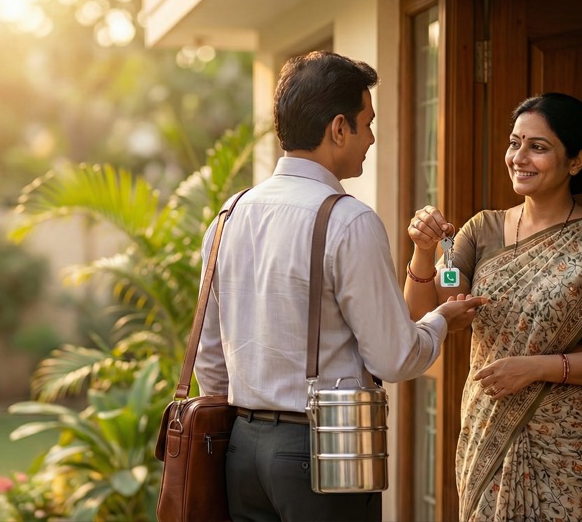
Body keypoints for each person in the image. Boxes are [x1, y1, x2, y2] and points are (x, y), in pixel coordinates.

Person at [193, 50, 488, 522]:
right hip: (326, 450)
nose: (371, 138)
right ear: (338, 129)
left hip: (241, 454)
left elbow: (210, 358)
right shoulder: (348, 220)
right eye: (367, 123)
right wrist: (440, 322)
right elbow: (393, 357)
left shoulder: (229, 215)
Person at [404, 92, 582, 520]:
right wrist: (425, 253)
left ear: (576, 161)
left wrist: (537, 368)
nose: (519, 157)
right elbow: (428, 312)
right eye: (514, 142)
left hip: (573, 447)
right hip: (489, 433)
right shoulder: (481, 231)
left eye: (538, 147)